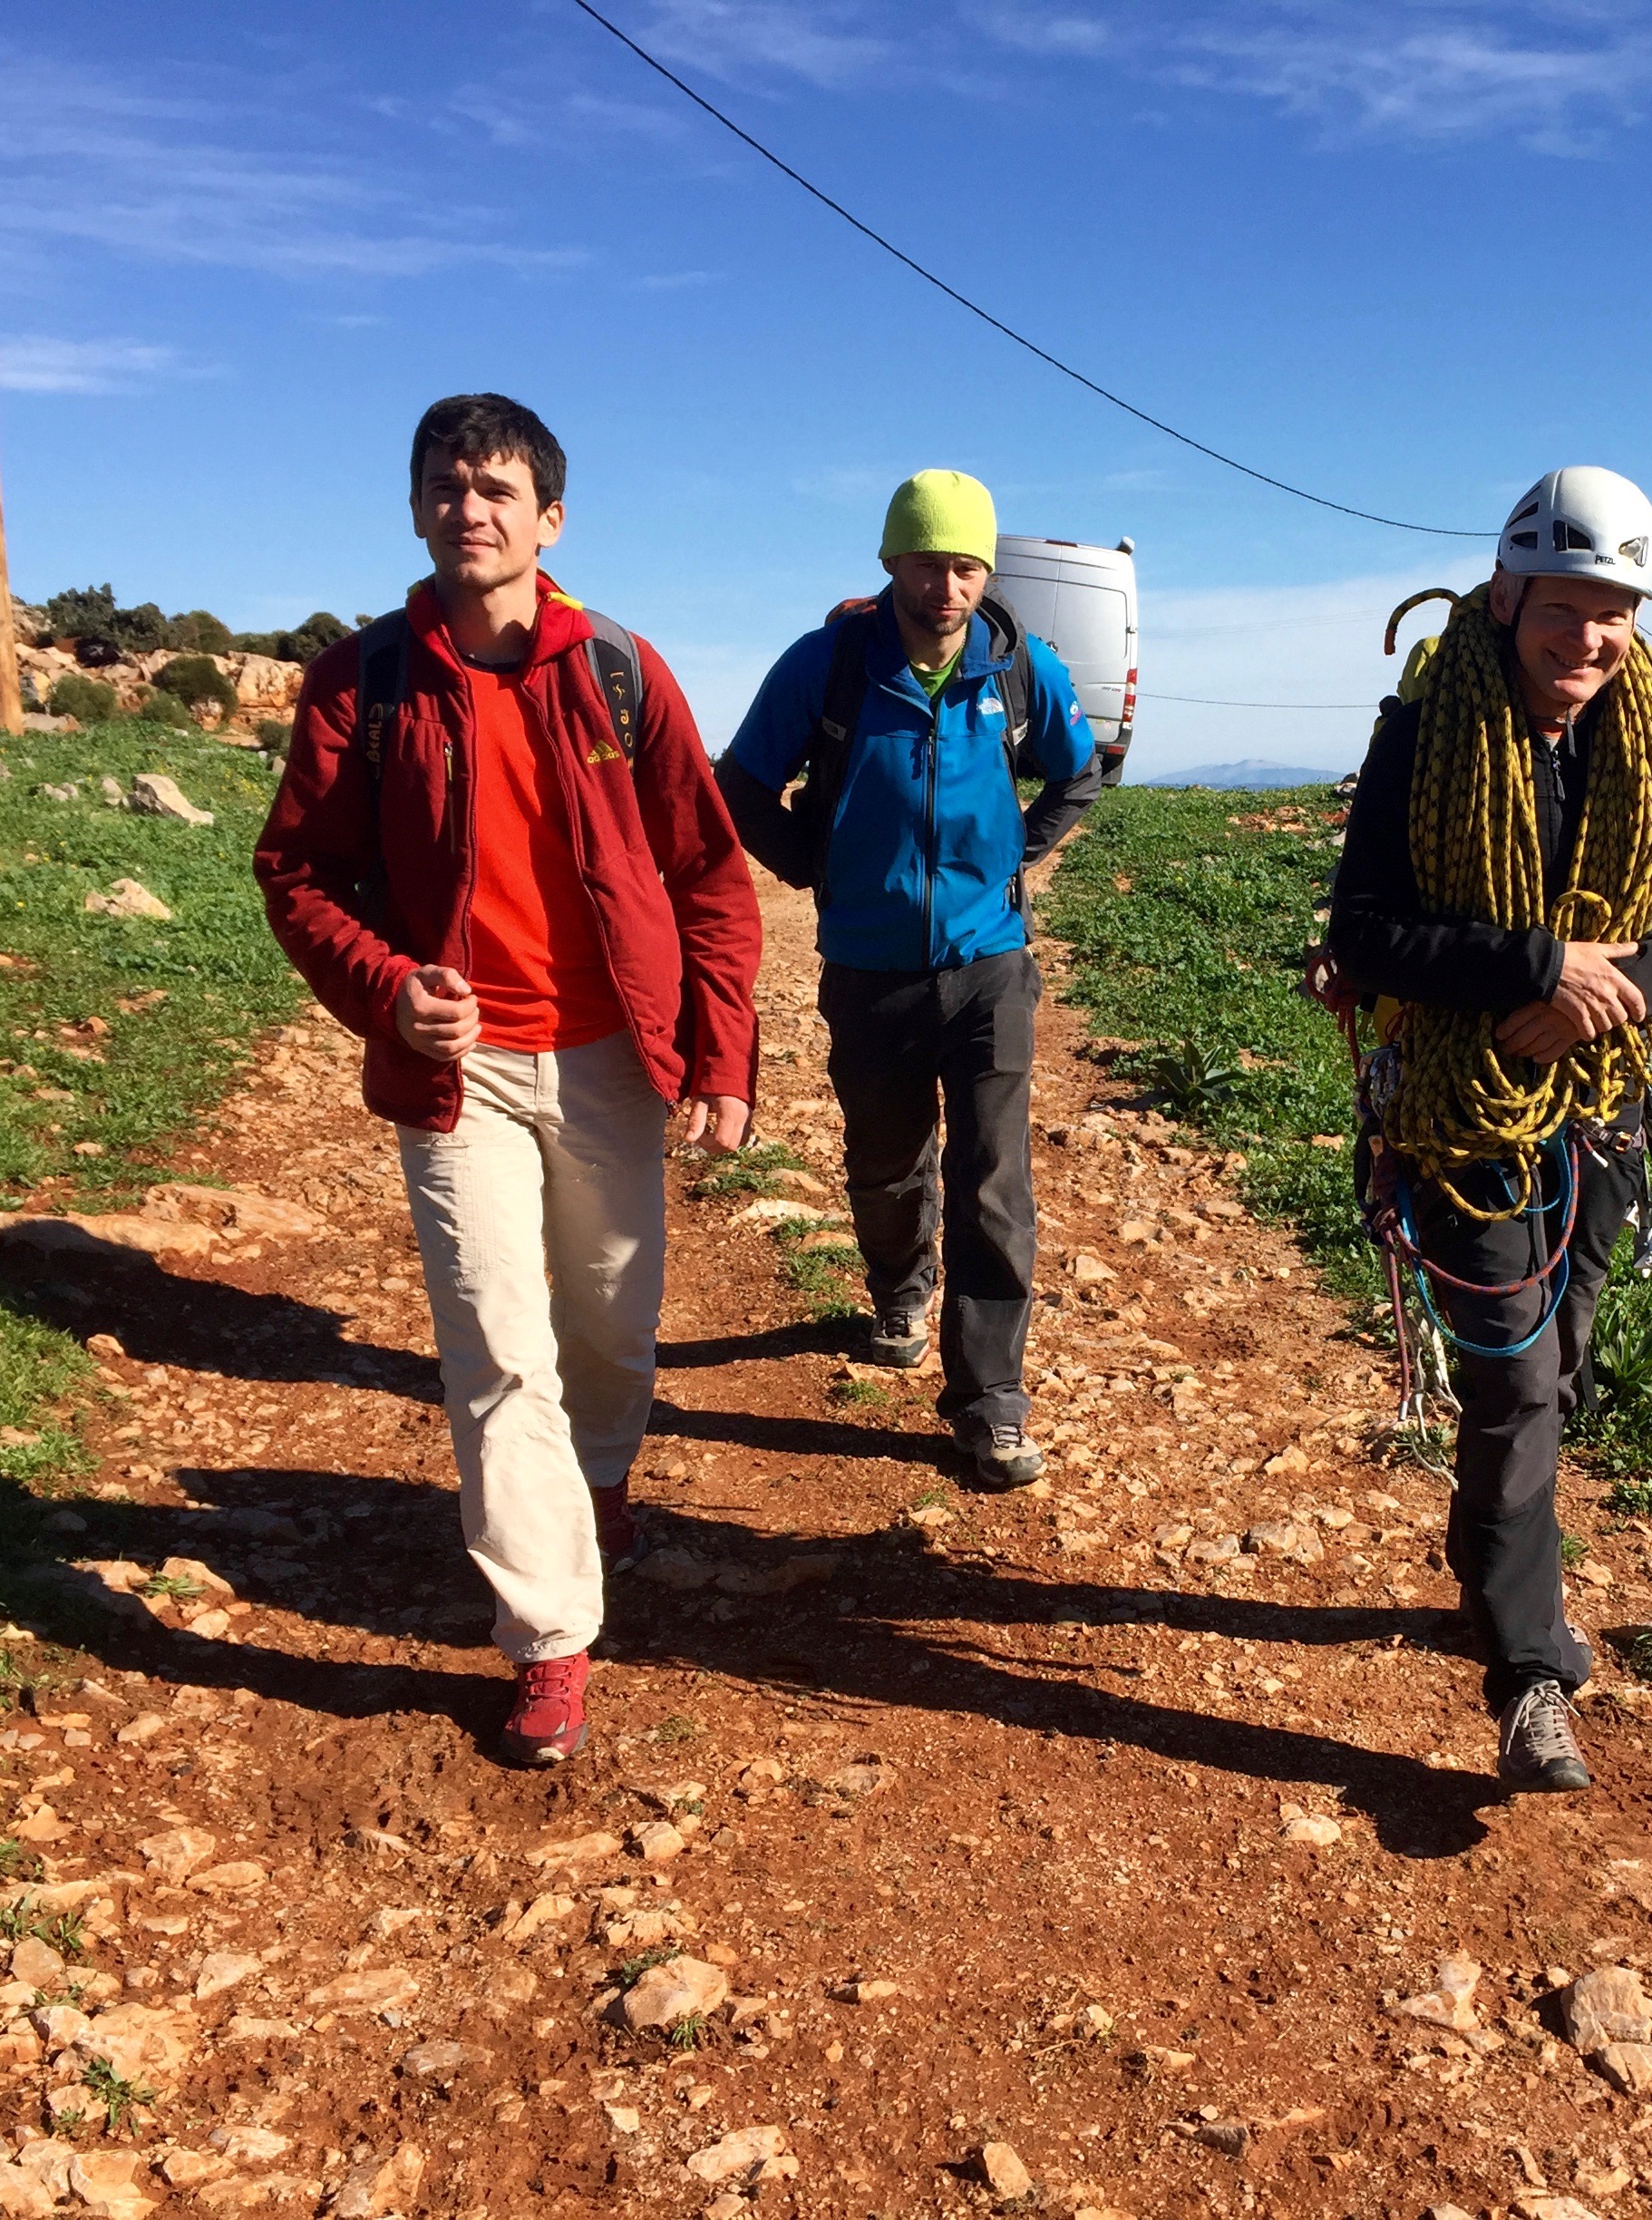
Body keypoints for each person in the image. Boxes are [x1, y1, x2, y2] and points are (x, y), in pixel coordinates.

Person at [257, 393, 763, 1767]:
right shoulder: (362, 685)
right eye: (444, 483)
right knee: (494, 1345)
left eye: (495, 487)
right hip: (458, 1071)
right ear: (418, 507)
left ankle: (599, 1483)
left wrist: (721, 1052)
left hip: (612, 1056)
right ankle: (550, 1640)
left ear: (550, 518)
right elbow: (296, 873)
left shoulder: (620, 672)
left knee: (609, 1320)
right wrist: (385, 987)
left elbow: (711, 875)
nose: (467, 507)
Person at [1327, 466, 1652, 1793]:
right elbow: (1367, 929)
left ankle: (1490, 1564)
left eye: (1617, 613)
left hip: (1605, 1107)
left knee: (1555, 1369)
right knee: (1515, 1381)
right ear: (1507, 597)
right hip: (1466, 1112)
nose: (1592, 639)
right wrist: (1533, 968)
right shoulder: (1425, 736)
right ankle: (1527, 1675)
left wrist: (1606, 993)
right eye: (1568, 609)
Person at [712, 471, 1099, 1489]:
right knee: (887, 1167)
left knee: (994, 1187)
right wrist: (812, 865)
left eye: (967, 565)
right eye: (928, 563)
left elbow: (1082, 769)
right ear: (891, 563)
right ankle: (899, 1283)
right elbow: (742, 781)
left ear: (988, 573)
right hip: (870, 969)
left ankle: (990, 1404)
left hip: (990, 970)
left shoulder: (1020, 669)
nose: (947, 586)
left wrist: (1029, 854)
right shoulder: (830, 664)